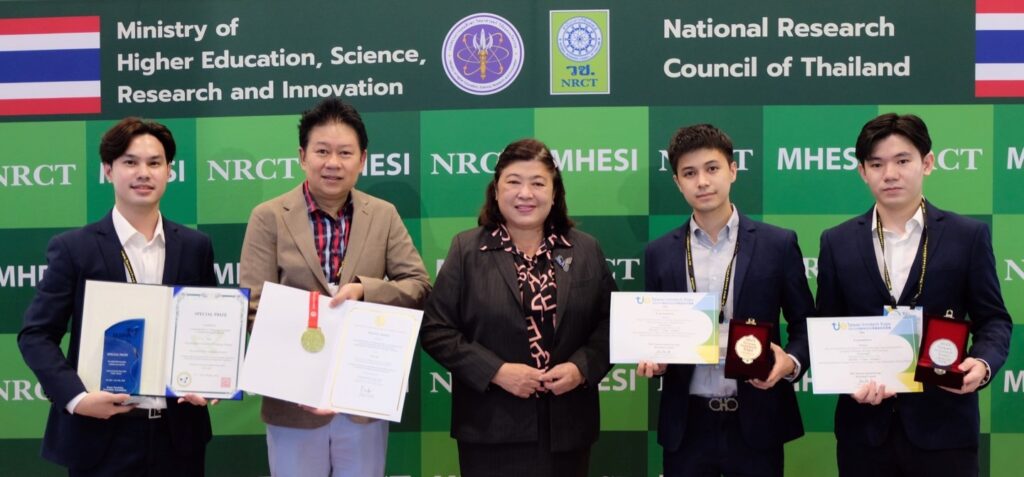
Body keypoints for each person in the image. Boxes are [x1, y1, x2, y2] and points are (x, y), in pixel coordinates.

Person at [239, 97, 430, 477]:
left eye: (345, 153)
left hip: (362, 400)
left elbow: (418, 285)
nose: (333, 163)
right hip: (293, 404)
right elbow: (254, 306)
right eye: (322, 151)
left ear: (362, 159)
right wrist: (306, 380)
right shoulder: (269, 217)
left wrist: (364, 290)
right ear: (302, 156)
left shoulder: (383, 215)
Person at [18, 117, 216, 476]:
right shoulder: (74, 248)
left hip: (178, 436)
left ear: (169, 171)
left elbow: (207, 329)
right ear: (108, 170)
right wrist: (78, 398)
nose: (144, 173)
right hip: (101, 434)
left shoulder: (195, 246)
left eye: (154, 163)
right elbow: (36, 334)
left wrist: (211, 376)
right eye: (130, 162)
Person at [817, 113, 1012, 476]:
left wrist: (983, 364)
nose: (890, 174)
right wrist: (847, 380)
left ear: (927, 163)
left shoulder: (967, 236)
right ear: (862, 172)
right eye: (877, 164)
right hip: (864, 432)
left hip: (945, 429)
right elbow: (827, 326)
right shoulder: (836, 241)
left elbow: (994, 319)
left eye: (902, 161)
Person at [420, 138, 615, 477]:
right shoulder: (467, 250)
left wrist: (581, 368)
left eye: (538, 183)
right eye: (513, 182)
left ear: (554, 193)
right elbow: (436, 330)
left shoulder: (585, 250)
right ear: (496, 191)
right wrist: (496, 371)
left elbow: (612, 324)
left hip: (567, 429)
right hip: (489, 427)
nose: (526, 194)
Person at [638, 124, 814, 477]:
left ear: (732, 170)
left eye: (712, 168)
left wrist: (791, 362)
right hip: (687, 424)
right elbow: (655, 332)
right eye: (690, 173)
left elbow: (805, 325)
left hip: (757, 420)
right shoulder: (659, 253)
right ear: (677, 182)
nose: (702, 181)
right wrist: (654, 358)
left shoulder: (777, 244)